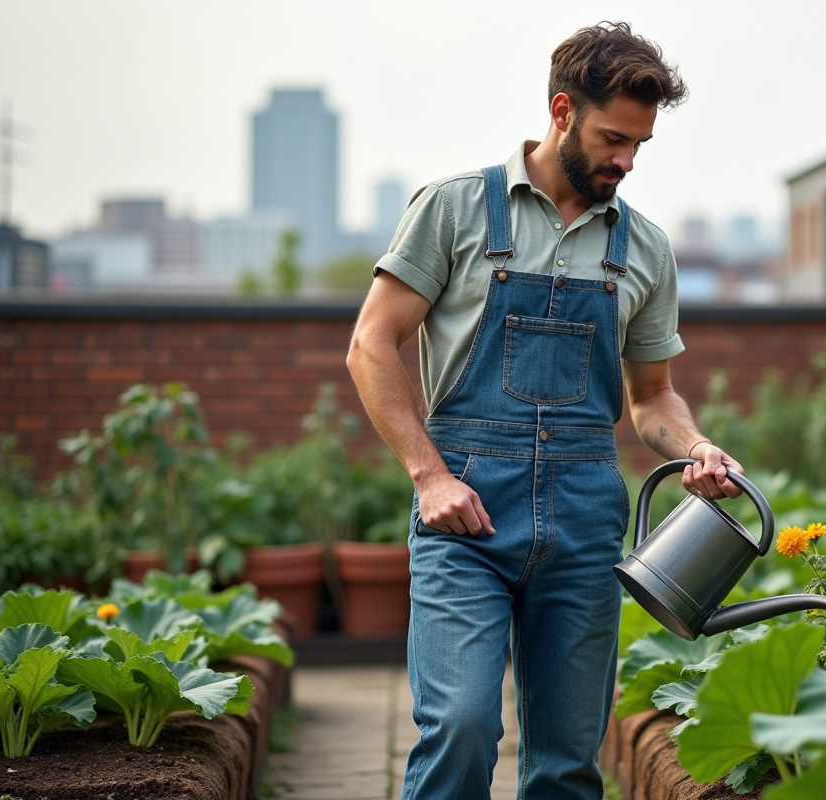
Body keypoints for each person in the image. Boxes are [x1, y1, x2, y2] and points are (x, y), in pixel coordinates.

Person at [346, 21, 743, 800]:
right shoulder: (455, 210)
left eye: (640, 146)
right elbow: (370, 345)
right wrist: (427, 476)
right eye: (613, 138)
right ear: (562, 110)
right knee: (460, 726)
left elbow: (652, 397)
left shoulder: (645, 248)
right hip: (465, 513)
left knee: (566, 763)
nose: (626, 160)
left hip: (584, 519)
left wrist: (695, 446)